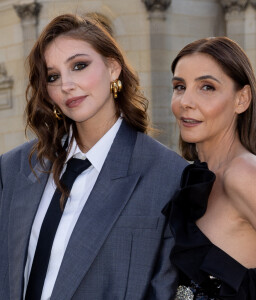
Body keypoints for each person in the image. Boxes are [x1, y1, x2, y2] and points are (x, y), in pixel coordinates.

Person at [0, 14, 187, 300]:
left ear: (113, 68)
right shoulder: (13, 168)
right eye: (53, 76)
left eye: (79, 66)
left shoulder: (168, 175)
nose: (66, 85)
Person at [163, 37, 256, 299]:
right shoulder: (199, 176)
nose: (185, 101)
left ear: (242, 99)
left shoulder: (243, 174)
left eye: (207, 87)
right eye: (179, 87)